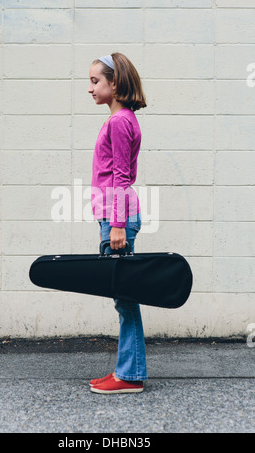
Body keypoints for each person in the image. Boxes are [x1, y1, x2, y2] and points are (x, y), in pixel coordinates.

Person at [88, 53, 147, 394]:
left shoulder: (119, 122)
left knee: (125, 298)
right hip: (114, 216)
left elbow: (121, 177)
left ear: (115, 83)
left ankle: (130, 376)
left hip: (117, 218)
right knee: (123, 297)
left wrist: (118, 225)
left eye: (95, 81)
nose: (90, 88)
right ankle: (127, 371)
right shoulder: (119, 120)